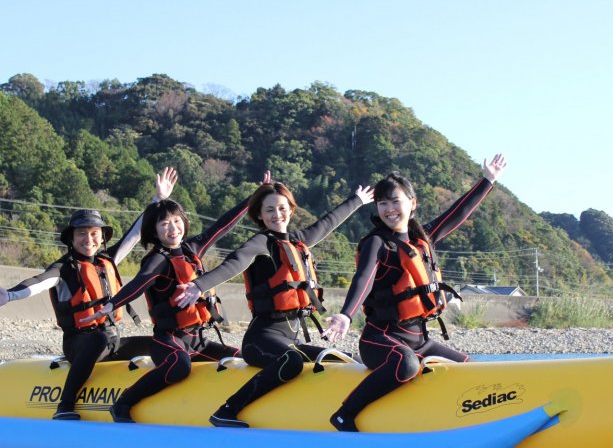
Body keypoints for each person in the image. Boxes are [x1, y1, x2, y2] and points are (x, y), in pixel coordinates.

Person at [322, 154, 507, 431]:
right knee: (406, 364)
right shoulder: (377, 242)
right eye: (382, 203)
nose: (389, 209)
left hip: (419, 340)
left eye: (395, 201)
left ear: (412, 203)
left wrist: (487, 180)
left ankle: (467, 422)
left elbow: (457, 212)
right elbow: (363, 279)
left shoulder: (422, 239)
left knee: (469, 369)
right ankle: (344, 413)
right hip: (380, 341)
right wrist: (346, 315)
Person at [173, 177, 375, 428]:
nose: (277, 214)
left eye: (282, 208)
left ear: (291, 209)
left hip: (291, 339)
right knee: (291, 361)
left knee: (340, 358)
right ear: (259, 214)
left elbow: (327, 223)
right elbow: (234, 263)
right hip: (261, 340)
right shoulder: (261, 243)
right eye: (269, 209)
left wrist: (357, 201)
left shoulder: (298, 240)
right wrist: (198, 285)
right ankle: (227, 410)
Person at [81, 174, 270, 422]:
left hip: (199, 341)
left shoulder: (192, 249)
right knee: (180, 367)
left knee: (241, 359)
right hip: (168, 340)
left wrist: (254, 197)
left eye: (176, 221)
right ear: (155, 230)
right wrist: (111, 305)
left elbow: (222, 226)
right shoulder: (156, 259)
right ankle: (124, 402)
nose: (173, 228)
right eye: (164, 224)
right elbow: (139, 283)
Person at [0, 167, 178, 420]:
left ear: (101, 237)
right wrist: (10, 295)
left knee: (162, 343)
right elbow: (38, 282)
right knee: (97, 338)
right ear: (71, 239)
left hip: (113, 340)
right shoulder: (63, 268)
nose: (89, 239)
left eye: (94, 234)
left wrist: (158, 199)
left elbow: (135, 233)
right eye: (81, 234)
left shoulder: (109, 259)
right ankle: (65, 404)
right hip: (79, 344)